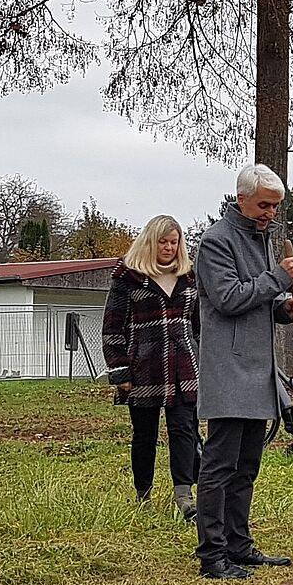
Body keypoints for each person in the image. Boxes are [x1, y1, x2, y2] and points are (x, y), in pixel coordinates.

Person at [193, 165, 293, 580]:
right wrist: (278, 277)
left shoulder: (262, 239)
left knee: (247, 466)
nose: (271, 213)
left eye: (276, 206)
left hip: (260, 370)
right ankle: (212, 555)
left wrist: (283, 308)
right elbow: (226, 299)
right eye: (264, 205)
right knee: (220, 465)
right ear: (241, 198)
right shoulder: (215, 242)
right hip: (229, 370)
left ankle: (239, 547)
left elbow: (257, 302)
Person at [103, 216, 204, 516]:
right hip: (143, 367)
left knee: (184, 429)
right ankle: (143, 494)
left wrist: (201, 358)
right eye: (163, 242)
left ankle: (184, 497)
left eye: (174, 242)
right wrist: (119, 369)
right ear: (150, 241)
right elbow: (112, 327)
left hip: (184, 366)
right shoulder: (128, 278)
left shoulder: (189, 277)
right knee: (144, 434)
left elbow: (198, 325)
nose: (169, 248)